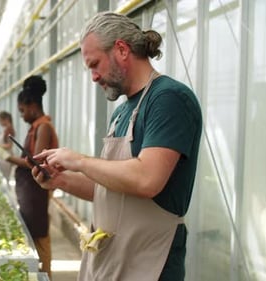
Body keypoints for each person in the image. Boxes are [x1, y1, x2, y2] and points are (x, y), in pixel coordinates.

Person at [32, 12, 202, 281]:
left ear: (122, 49)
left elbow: (147, 180)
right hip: (114, 259)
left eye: (95, 64)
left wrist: (79, 160)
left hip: (149, 264)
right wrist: (61, 180)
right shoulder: (122, 113)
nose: (93, 77)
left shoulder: (168, 99)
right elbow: (109, 191)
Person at [5, 75, 58, 278]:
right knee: (33, 234)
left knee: (40, 235)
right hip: (30, 191)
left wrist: (8, 158)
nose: (22, 115)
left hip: (38, 190)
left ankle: (45, 275)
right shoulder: (35, 127)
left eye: (22, 110)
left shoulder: (43, 127)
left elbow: (35, 161)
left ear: (33, 105)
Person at [0, 111, 16, 184]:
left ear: (6, 119)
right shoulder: (6, 129)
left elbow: (9, 145)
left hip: (6, 156)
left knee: (6, 178)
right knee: (4, 178)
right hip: (2, 155)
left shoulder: (9, 130)